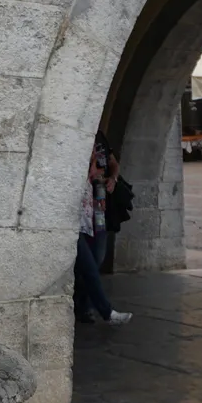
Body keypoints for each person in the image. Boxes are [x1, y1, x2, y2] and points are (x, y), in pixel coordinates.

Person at [74, 133, 132, 326]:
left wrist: (110, 178)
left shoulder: (100, 138)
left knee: (95, 259)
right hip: (76, 222)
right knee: (89, 267)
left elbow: (112, 163)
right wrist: (93, 170)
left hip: (96, 211)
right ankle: (105, 312)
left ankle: (82, 306)